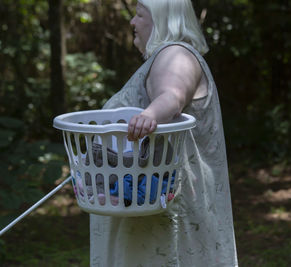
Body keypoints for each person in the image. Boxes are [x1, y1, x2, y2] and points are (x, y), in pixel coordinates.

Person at [90, 0, 238, 266]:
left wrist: (149, 116)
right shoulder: (167, 56)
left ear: (162, 18)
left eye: (139, 14)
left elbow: (172, 95)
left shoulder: (176, 54)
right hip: (145, 209)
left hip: (165, 210)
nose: (133, 23)